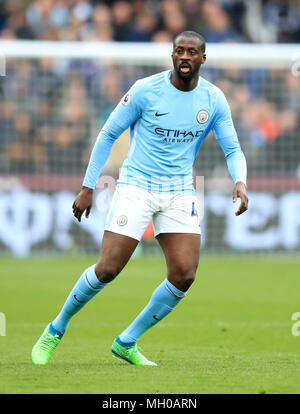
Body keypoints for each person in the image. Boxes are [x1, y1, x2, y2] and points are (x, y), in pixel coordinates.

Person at [31, 31, 248, 366]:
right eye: (179, 51)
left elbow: (232, 148)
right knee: (108, 268)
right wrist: (88, 187)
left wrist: (240, 182)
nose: (185, 57)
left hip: (179, 191)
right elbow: (108, 133)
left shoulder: (213, 99)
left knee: (184, 274)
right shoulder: (146, 90)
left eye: (192, 52)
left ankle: (127, 341)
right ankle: (56, 329)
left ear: (203, 59)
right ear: (172, 55)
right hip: (136, 186)